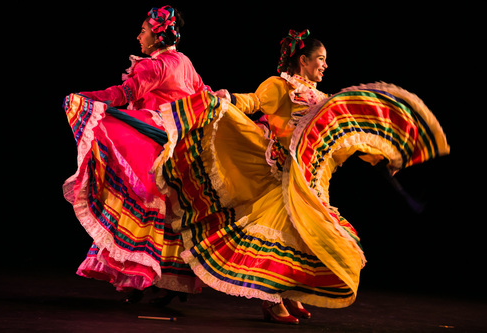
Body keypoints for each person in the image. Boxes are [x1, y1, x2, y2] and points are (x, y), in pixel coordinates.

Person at [150, 29, 450, 324]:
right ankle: (272, 301)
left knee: (306, 240)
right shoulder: (280, 86)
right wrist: (225, 99)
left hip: (312, 181)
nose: (325, 64)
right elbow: (252, 103)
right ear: (303, 61)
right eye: (320, 58)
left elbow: (342, 138)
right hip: (283, 179)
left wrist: (382, 155)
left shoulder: (322, 98)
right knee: (284, 236)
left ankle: (291, 295)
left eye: (325, 59)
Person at [63, 5, 209, 304]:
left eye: (143, 31)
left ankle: (137, 276)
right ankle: (160, 280)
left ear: (156, 36)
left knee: (140, 205)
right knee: (169, 213)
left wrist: (85, 99)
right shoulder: (183, 61)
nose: (138, 36)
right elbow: (203, 94)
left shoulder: (153, 66)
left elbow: (122, 95)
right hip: (180, 145)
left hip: (151, 145)